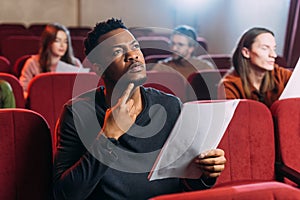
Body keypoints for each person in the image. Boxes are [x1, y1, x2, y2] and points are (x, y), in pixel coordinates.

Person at [52, 18, 226, 200]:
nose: (133, 55)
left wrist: (206, 172)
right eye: (118, 51)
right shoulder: (78, 113)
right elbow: (63, 194)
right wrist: (108, 136)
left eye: (135, 46)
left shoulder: (171, 106)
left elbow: (186, 183)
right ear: (99, 68)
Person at [218, 27, 292, 107]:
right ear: (246, 52)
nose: (273, 55)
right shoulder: (229, 85)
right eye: (264, 48)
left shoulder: (281, 75)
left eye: (274, 49)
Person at [19, 23, 83, 98]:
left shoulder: (75, 63)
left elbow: (84, 89)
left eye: (65, 42)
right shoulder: (32, 63)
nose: (62, 45)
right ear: (48, 42)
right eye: (57, 41)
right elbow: (23, 92)